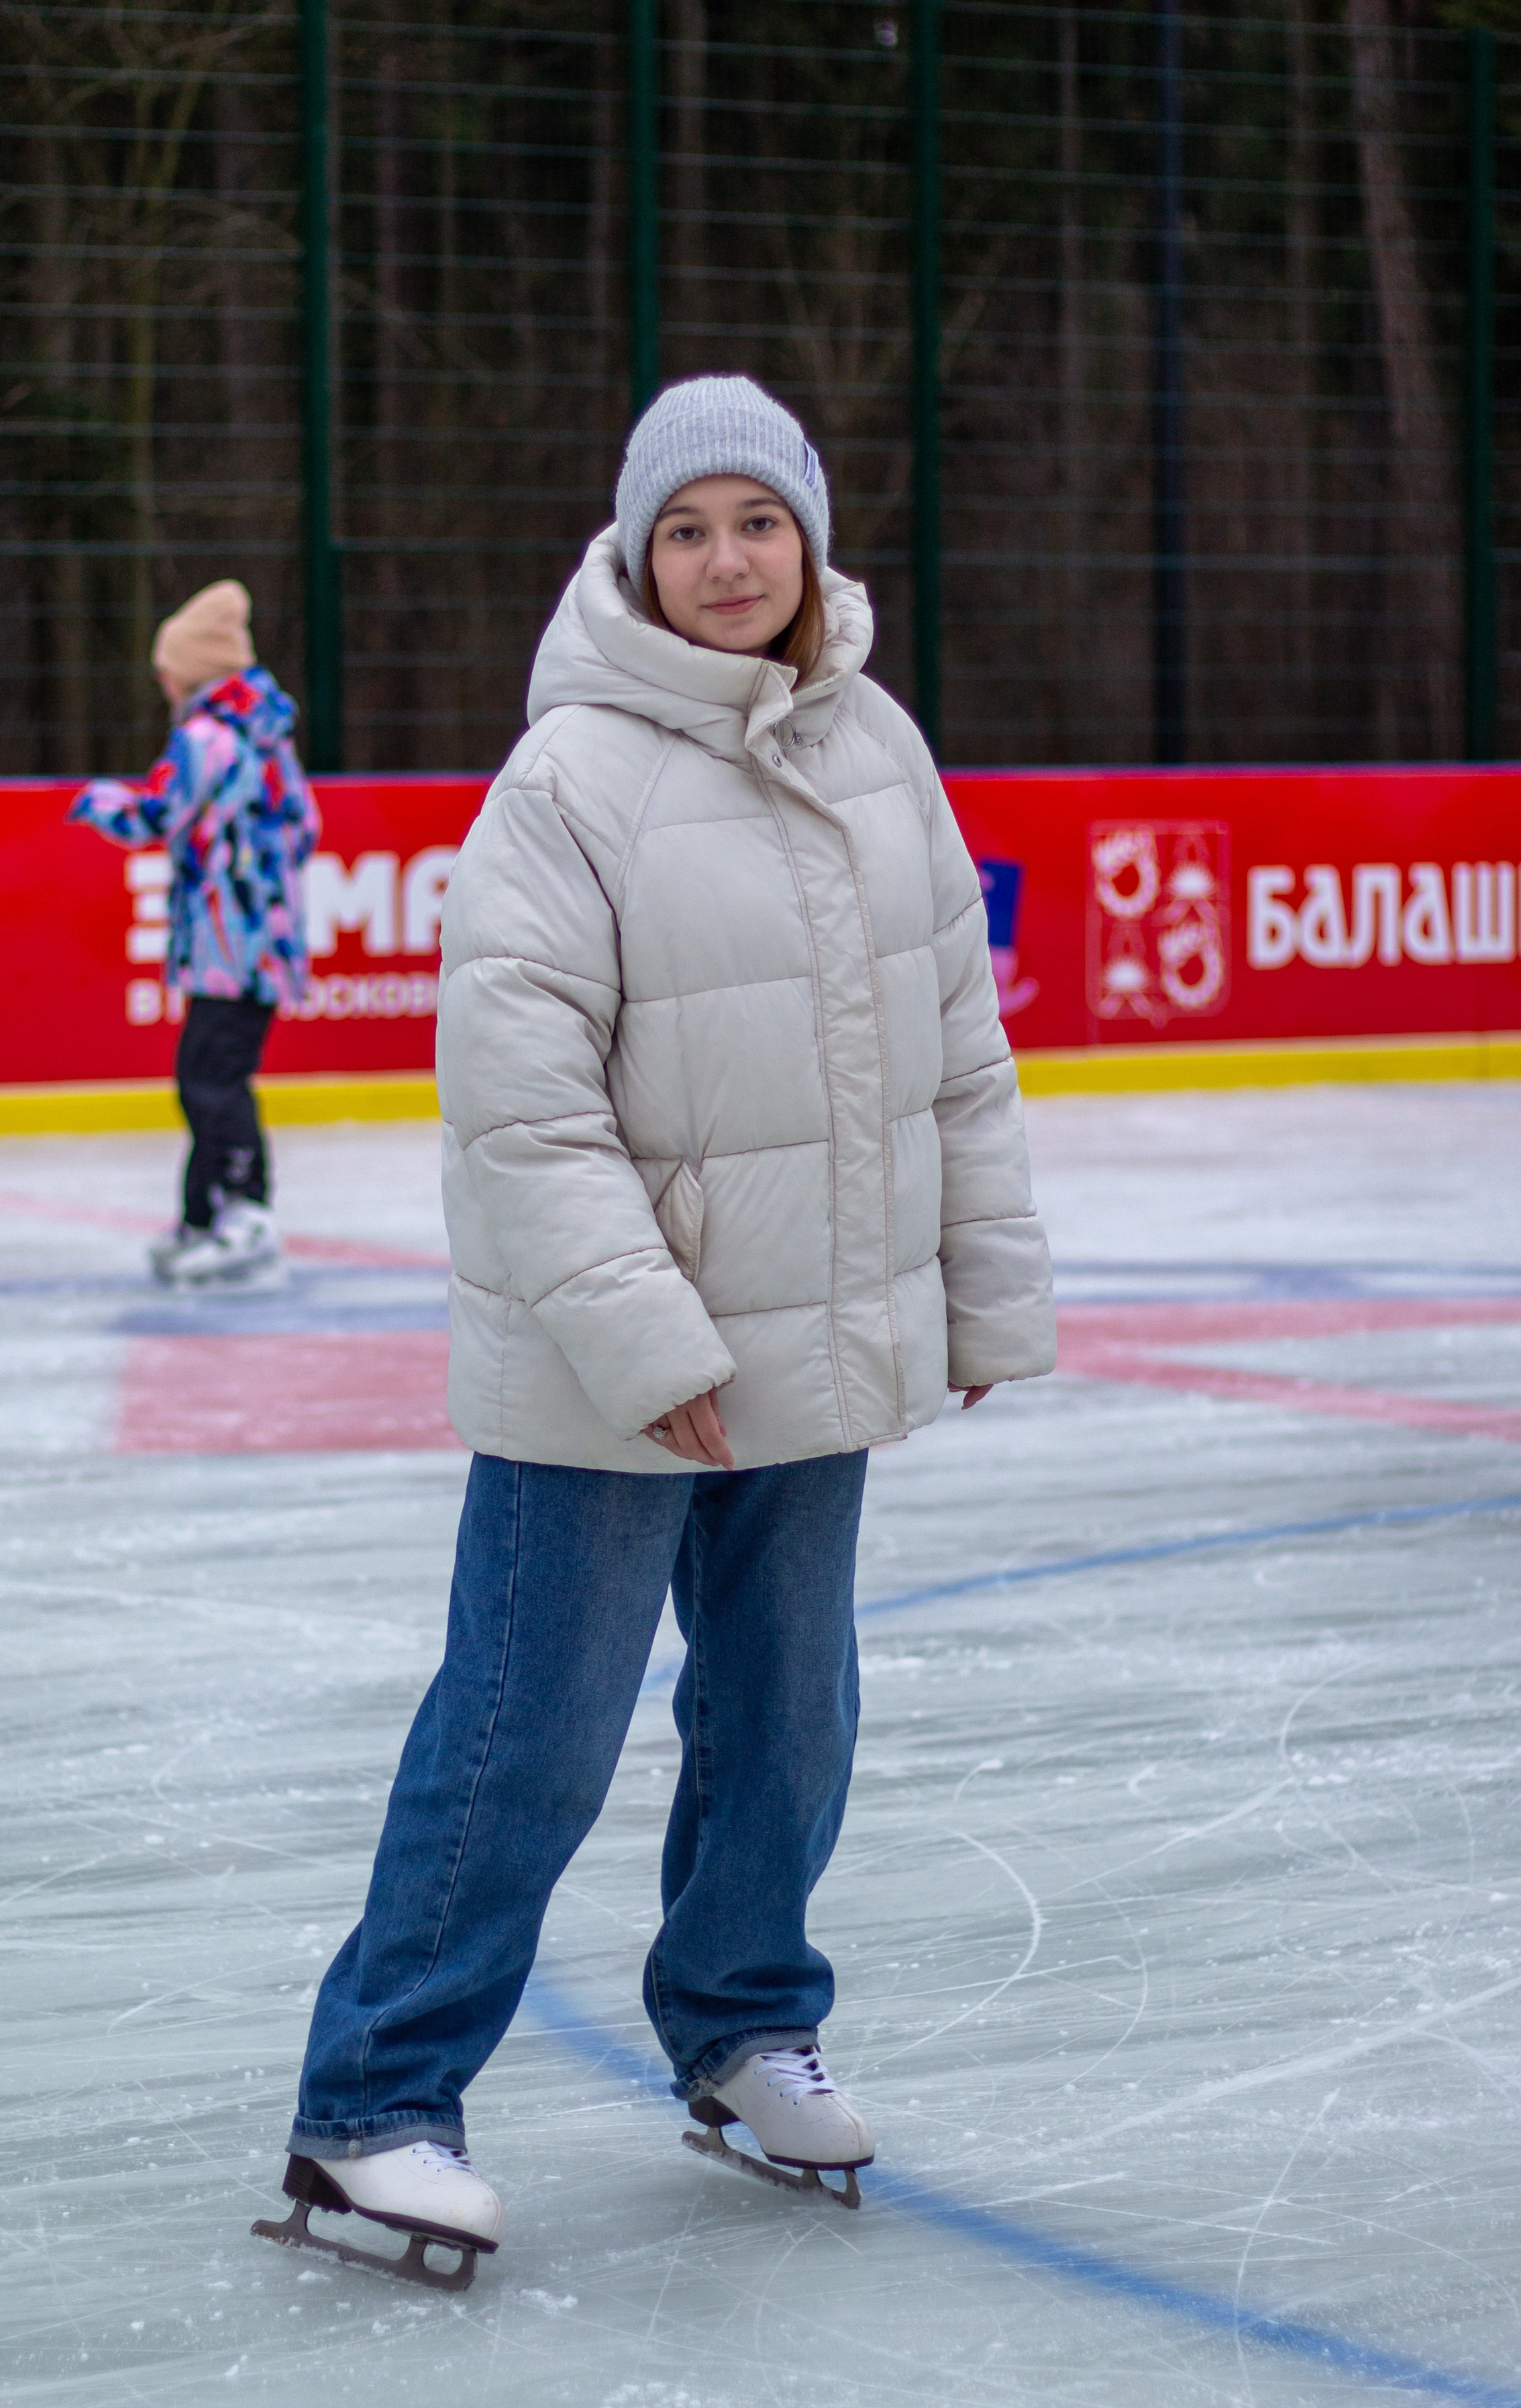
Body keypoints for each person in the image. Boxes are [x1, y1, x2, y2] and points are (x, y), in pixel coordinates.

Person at [273, 376, 1055, 2266]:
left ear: (812, 546)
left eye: (759, 525)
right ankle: (372, 2100)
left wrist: (981, 1284)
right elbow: (521, 1105)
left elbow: (960, 1049)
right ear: (638, 554)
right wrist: (653, 1347)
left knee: (791, 1717)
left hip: (825, 1341)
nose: (726, 561)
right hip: (613, 1371)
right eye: (688, 529)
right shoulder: (569, 781)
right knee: (527, 1737)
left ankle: (746, 2024)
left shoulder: (882, 751)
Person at [70, 580, 315, 1289]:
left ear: (194, 671)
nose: (160, 678)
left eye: (167, 666)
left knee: (211, 1079)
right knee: (207, 1074)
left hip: (230, 947)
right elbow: (302, 827)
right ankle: (206, 1214)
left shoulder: (208, 738)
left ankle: (244, 1214)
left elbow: (155, 813)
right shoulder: (265, 737)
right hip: (255, 941)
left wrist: (96, 800)